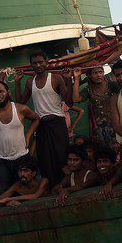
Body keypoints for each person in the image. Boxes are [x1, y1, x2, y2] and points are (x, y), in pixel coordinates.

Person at [16, 51, 73, 185]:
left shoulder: (56, 78)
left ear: (46, 62)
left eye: (40, 62)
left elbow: (68, 101)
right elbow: (20, 103)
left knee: (61, 155)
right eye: (34, 63)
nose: (38, 65)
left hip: (57, 123)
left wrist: (68, 80)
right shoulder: (30, 82)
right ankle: (51, 187)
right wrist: (17, 83)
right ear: (31, 65)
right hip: (41, 125)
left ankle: (67, 184)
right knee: (45, 158)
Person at [0, 80, 40, 194]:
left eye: (1, 91)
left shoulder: (21, 109)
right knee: (4, 191)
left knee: (25, 189)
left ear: (8, 92)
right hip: (0, 159)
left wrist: (28, 135)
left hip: (21, 157)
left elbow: (36, 119)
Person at [73, 66, 116, 148]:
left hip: (117, 124)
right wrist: (77, 78)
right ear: (89, 75)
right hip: (101, 129)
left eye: (100, 72)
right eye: (95, 73)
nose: (98, 75)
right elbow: (76, 99)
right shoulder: (89, 89)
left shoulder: (112, 85)